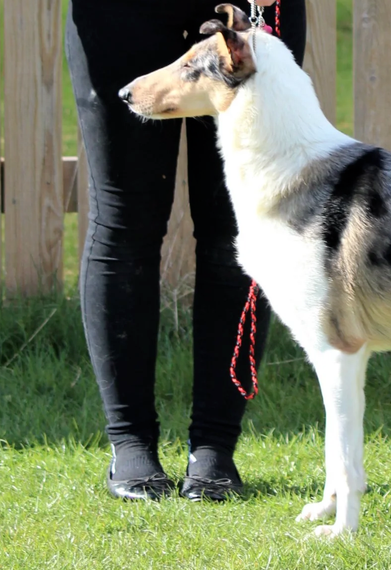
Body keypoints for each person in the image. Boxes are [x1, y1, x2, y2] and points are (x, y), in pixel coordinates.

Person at [65, 0, 306, 501]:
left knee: (234, 233)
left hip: (245, 11)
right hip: (118, 17)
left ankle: (215, 452)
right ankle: (131, 447)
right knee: (124, 222)